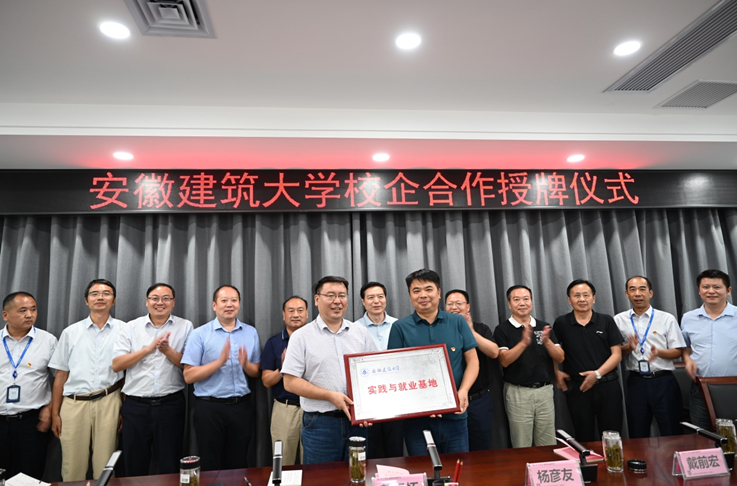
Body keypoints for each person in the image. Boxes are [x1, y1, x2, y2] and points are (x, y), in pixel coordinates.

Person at [282, 276, 377, 464]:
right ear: (317, 299)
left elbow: (375, 372)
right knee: (321, 477)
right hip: (320, 424)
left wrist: (369, 408)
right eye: (330, 295)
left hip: (357, 422)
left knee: (357, 474)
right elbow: (290, 382)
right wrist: (330, 396)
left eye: (342, 295)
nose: (337, 301)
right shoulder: (301, 336)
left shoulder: (361, 333)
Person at [387, 269, 479, 455]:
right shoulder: (399, 327)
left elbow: (473, 361)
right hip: (417, 420)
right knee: (423, 469)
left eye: (428, 289)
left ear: (438, 292)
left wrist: (464, 390)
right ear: (410, 296)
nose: (423, 295)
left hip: (455, 415)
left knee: (458, 468)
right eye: (416, 291)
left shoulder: (457, 322)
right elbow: (394, 371)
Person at [112, 283, 193, 476]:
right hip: (136, 406)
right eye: (155, 298)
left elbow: (190, 366)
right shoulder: (131, 327)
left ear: (173, 302)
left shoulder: (185, 326)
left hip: (170, 405)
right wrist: (148, 349)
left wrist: (168, 351)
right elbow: (117, 364)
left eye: (166, 298)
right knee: (134, 464)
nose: (160, 303)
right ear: (147, 302)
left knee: (170, 464)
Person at [49, 279, 125, 481]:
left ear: (114, 300)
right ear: (86, 300)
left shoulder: (125, 330)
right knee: (72, 467)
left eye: (106, 293)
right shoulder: (70, 332)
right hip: (74, 403)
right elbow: (61, 376)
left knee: (105, 467)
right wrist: (55, 413)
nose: (100, 297)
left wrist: (123, 409)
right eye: (95, 293)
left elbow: (129, 374)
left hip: (109, 400)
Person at [181, 285, 261, 471]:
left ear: (239, 304)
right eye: (224, 301)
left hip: (241, 407)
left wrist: (246, 364)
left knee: (239, 461)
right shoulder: (200, 334)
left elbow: (256, 372)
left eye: (234, 300)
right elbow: (188, 376)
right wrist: (219, 362)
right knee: (211, 463)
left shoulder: (250, 332)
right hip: (209, 408)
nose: (229, 304)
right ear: (214, 305)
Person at [553, 279, 623, 442]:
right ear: (569, 300)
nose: (582, 299)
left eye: (586, 295)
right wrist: (556, 371)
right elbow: (554, 352)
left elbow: (617, 355)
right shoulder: (562, 323)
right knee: (583, 436)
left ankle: (611, 460)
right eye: (577, 295)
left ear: (594, 298)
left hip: (608, 386)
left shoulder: (606, 320)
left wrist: (597, 374)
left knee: (612, 435)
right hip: (578, 388)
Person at [614, 276, 685, 438]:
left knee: (671, 430)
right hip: (636, 382)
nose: (637, 294)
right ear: (626, 294)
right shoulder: (619, 320)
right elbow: (615, 353)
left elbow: (678, 351)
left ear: (650, 293)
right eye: (632, 290)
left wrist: (659, 352)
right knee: (638, 432)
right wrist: (629, 347)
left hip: (663, 381)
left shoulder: (666, 318)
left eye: (642, 289)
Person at [494, 285, 564, 447]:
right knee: (521, 444)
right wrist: (524, 342)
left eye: (526, 299)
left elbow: (560, 357)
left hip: (545, 391)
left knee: (548, 443)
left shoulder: (543, 326)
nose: (522, 303)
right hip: (518, 392)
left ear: (531, 301)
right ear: (509, 304)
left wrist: (547, 342)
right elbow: (504, 360)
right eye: (516, 299)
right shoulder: (502, 329)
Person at [0, 292, 57, 479]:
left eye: (33, 309)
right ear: (5, 315)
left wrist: (50, 409)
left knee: (29, 476)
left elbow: (61, 379)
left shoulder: (48, 341)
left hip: (32, 421)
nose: (29, 315)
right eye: (22, 310)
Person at [681, 269, 737, 430]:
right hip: (700, 389)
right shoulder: (688, 318)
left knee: (732, 437)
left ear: (728, 290)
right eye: (706, 287)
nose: (711, 291)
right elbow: (685, 347)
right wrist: (687, 360)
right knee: (703, 436)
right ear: (699, 290)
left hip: (733, 387)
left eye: (717, 287)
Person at [444, 289, 499, 451]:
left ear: (468, 307)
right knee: (453, 450)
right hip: (450, 401)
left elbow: (494, 352)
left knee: (481, 449)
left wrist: (470, 331)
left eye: (459, 303)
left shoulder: (481, 328)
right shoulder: (441, 329)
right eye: (450, 304)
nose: (454, 307)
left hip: (478, 400)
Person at [355, 281, 404, 459]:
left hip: (396, 397)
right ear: (363, 301)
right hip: (368, 399)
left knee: (395, 449)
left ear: (386, 299)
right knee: (370, 450)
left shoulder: (399, 325)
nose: (376, 301)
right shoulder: (354, 328)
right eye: (370, 297)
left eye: (380, 296)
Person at [261, 296, 309, 466]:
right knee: (282, 463)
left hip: (313, 408)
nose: (296, 315)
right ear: (283, 315)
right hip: (285, 409)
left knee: (313, 464)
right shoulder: (274, 343)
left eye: (300, 310)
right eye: (291, 311)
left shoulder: (317, 340)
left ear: (307, 314)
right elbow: (266, 381)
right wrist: (283, 368)